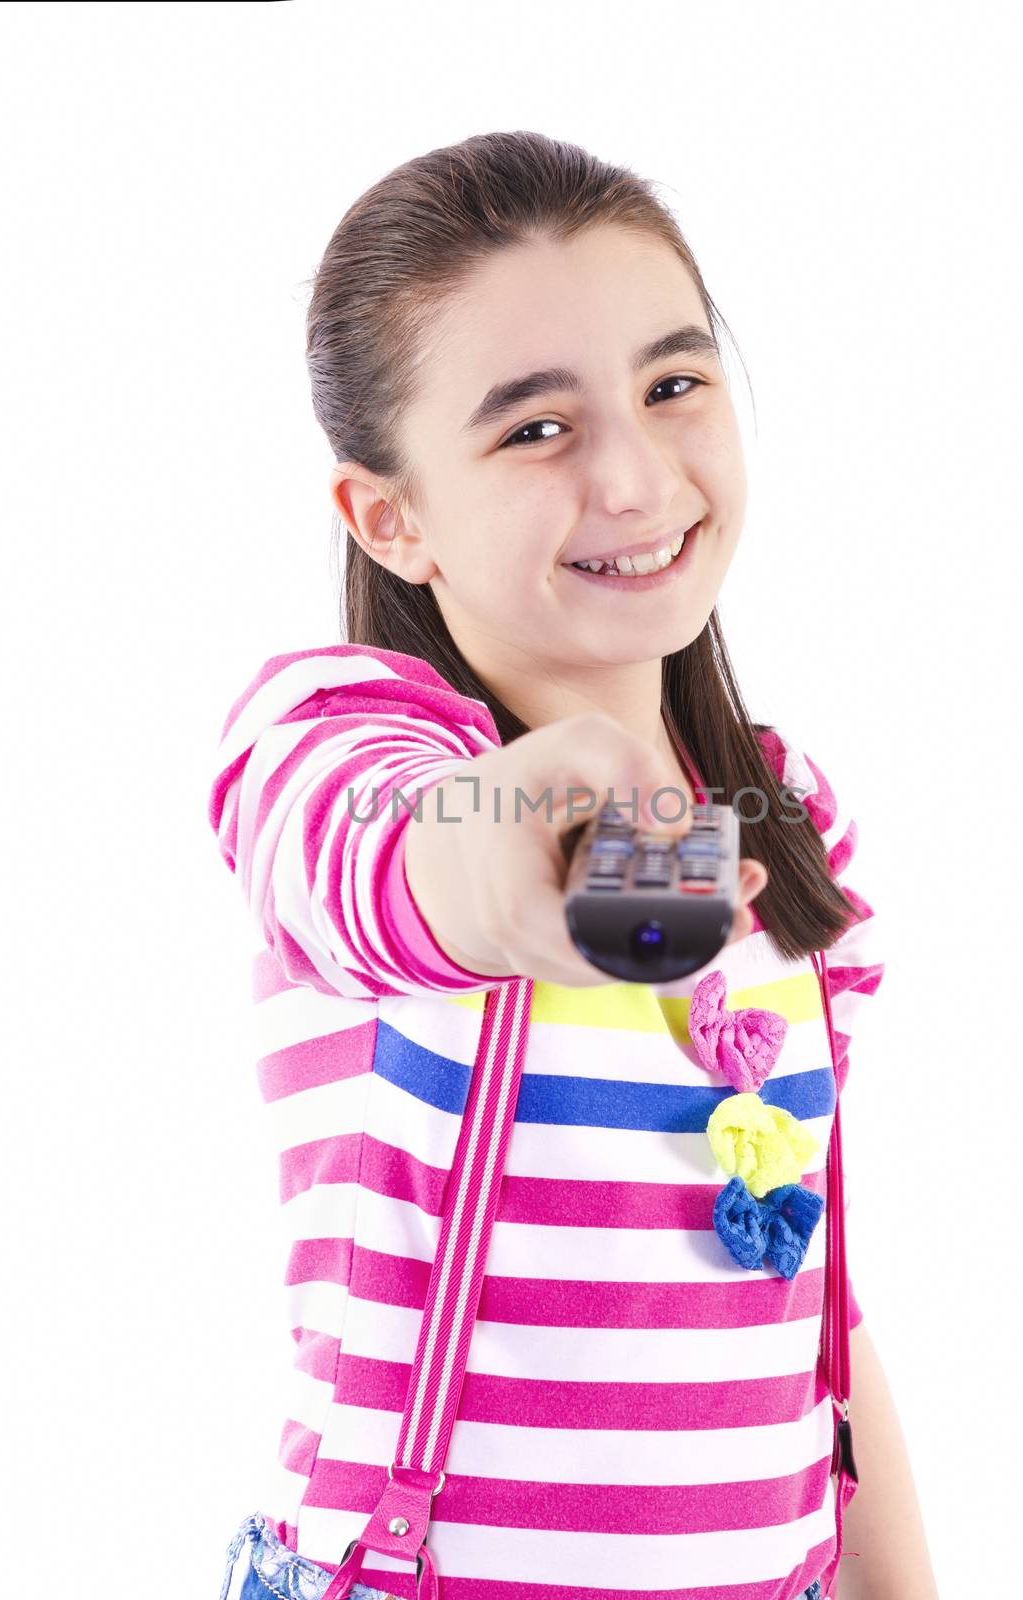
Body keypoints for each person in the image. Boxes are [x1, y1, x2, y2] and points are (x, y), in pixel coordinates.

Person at [210, 130, 937, 1600]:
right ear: (389, 517)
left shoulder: (786, 817)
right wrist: (535, 845)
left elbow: (812, 1299)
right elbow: (395, 851)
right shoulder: (333, 739)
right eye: (534, 429)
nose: (632, 474)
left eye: (672, 385)